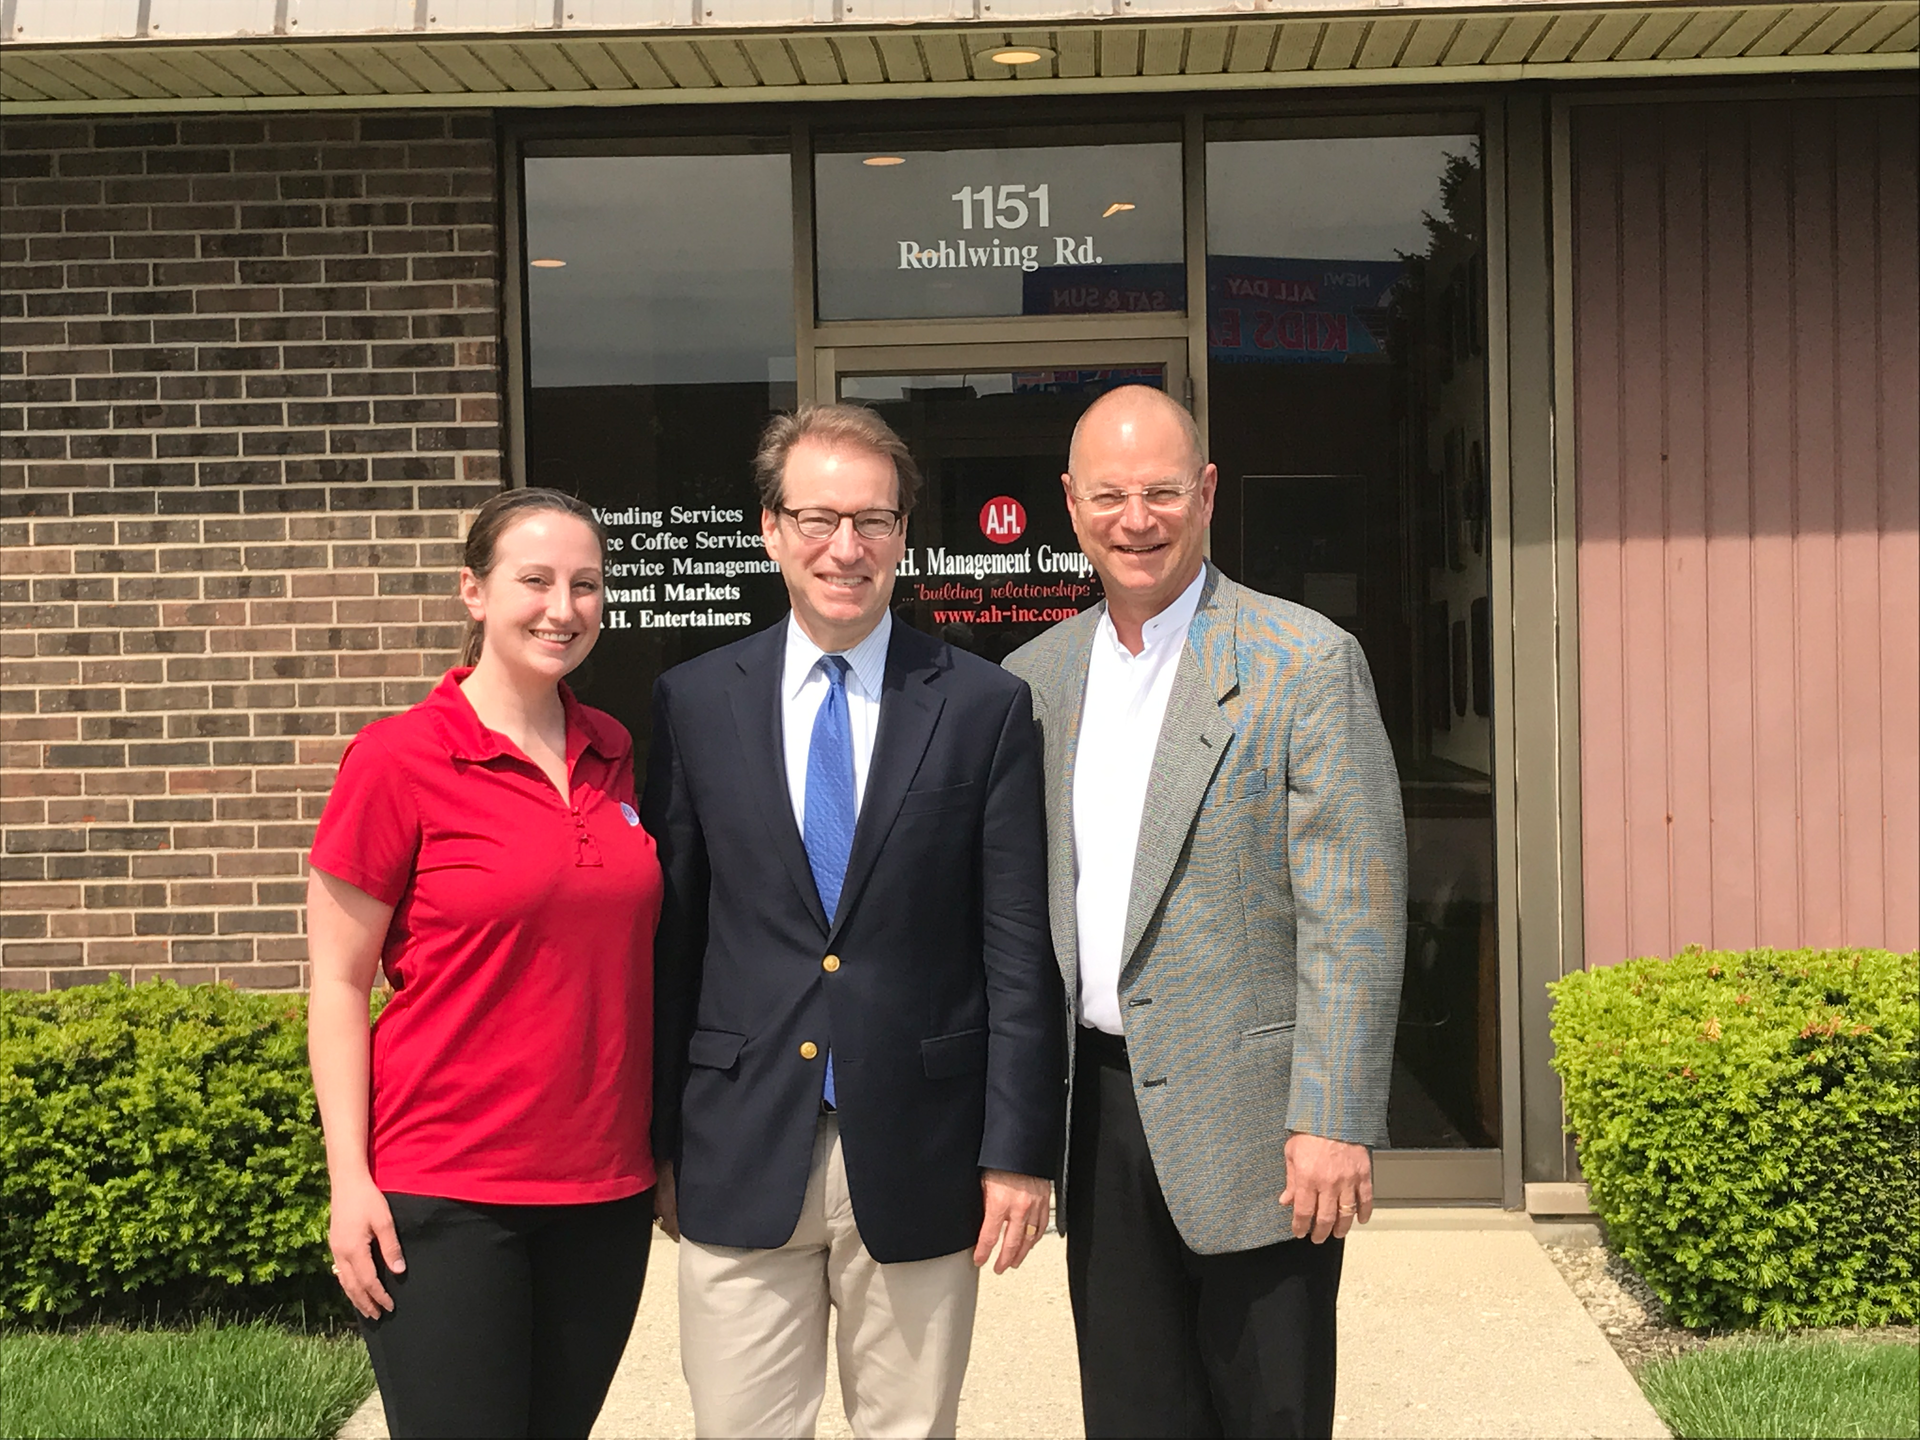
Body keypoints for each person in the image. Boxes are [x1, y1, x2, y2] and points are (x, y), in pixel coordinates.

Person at [644, 403, 1065, 1439]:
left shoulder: (980, 705)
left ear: (904, 538)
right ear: (772, 530)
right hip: (739, 1144)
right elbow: (673, 942)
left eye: (874, 520)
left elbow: (1015, 946)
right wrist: (655, 1141)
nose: (847, 546)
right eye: (820, 517)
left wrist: (1019, 1151)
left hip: (920, 1149)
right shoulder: (695, 702)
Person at [1004, 385, 1407, 1440]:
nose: (1137, 520)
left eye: (1163, 492)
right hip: (1096, 1117)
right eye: (1111, 496)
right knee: (1132, 1415)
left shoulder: (1304, 662)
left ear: (1208, 492)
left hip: (1262, 1129)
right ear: (1072, 506)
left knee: (1267, 1415)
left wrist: (1333, 1117)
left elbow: (1352, 913)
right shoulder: (1034, 680)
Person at [306, 488, 661, 1440]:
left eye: (586, 585)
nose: (563, 608)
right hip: (448, 1195)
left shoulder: (614, 751)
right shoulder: (397, 760)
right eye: (534, 580)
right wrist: (350, 1181)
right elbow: (338, 985)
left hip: (604, 1192)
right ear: (474, 591)